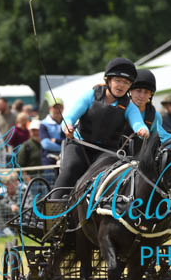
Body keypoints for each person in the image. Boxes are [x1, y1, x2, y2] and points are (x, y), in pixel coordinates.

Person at [55, 57, 148, 197]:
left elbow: (138, 123)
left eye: (126, 83)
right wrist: (67, 126)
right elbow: (68, 118)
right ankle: (54, 204)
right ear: (108, 80)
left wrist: (143, 130)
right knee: (71, 167)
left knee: (107, 174)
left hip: (107, 151)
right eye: (118, 80)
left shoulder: (129, 106)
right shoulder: (90, 96)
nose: (121, 85)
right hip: (80, 145)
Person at [128, 69, 171, 153]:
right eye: (138, 91)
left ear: (150, 95)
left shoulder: (156, 117)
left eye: (146, 92)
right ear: (130, 91)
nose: (142, 95)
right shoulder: (120, 108)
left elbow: (154, 147)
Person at [39, 96, 65, 169]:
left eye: (60, 107)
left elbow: (70, 140)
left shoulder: (67, 123)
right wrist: (64, 147)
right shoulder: (43, 124)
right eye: (55, 107)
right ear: (50, 109)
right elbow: (46, 144)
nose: (58, 110)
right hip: (48, 160)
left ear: (63, 108)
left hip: (65, 159)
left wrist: (55, 140)